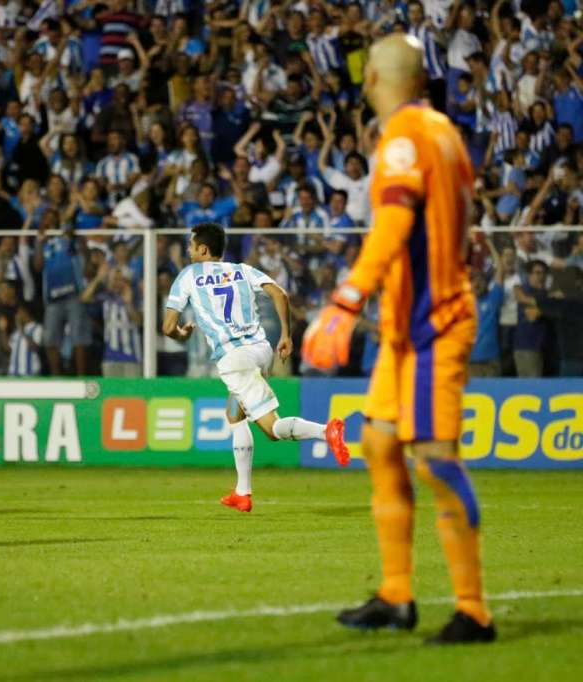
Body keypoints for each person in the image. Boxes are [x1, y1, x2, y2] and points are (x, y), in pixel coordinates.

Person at [304, 35, 495, 644]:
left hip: (433, 323)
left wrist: (346, 298)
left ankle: (474, 612)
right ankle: (395, 594)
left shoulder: (405, 135)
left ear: (373, 80)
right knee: (380, 442)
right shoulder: (444, 132)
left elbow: (393, 222)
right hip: (407, 326)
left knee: (434, 458)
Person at [162, 222, 350, 513]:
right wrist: (286, 335)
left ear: (203, 249)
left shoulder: (188, 275)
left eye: (191, 245)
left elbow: (168, 327)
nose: (188, 250)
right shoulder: (242, 270)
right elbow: (280, 294)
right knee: (235, 413)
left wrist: (181, 335)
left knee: (273, 429)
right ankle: (242, 492)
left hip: (234, 358)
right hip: (261, 350)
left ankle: (327, 432)